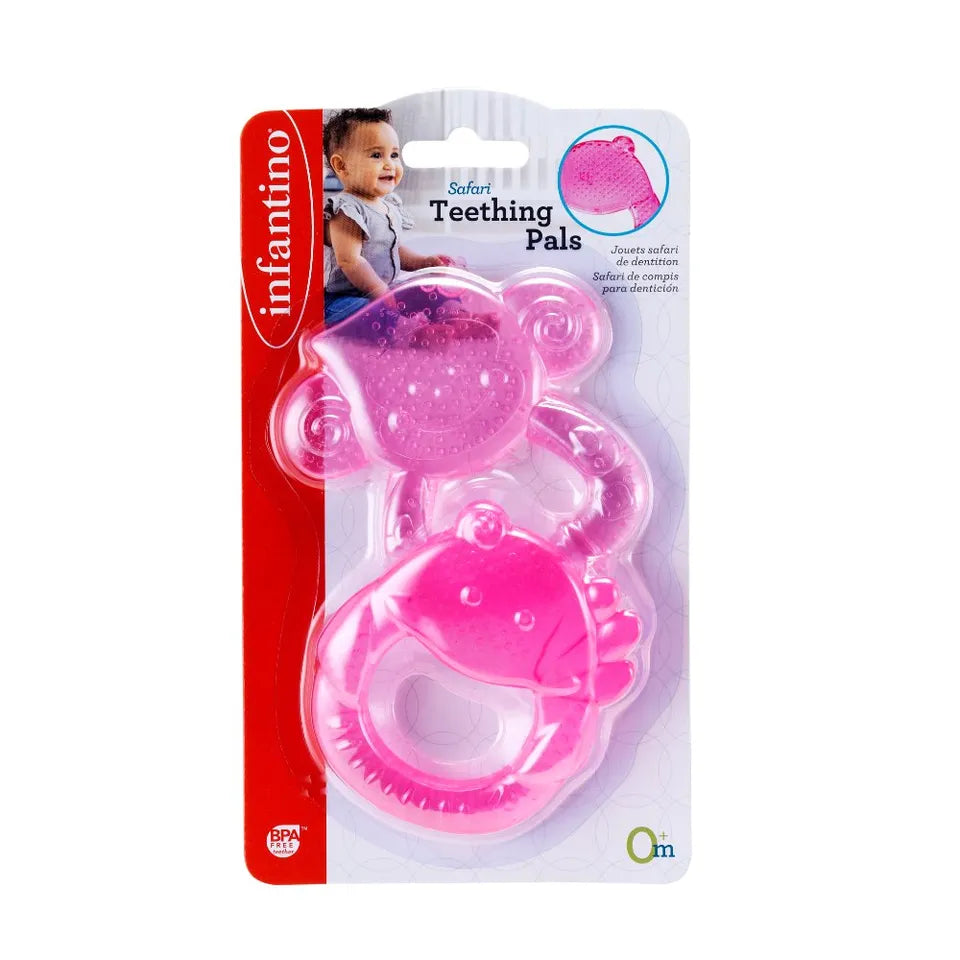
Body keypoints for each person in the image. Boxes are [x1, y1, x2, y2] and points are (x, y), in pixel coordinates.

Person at [323, 107, 452, 326]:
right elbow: (350, 260)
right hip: (346, 299)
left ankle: (455, 318)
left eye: (394, 155)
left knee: (426, 292)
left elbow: (393, 249)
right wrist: (379, 291)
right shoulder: (347, 210)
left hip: (381, 291)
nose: (389, 164)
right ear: (341, 165)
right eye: (376, 155)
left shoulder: (388, 206)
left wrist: (423, 262)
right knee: (367, 312)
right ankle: (406, 330)